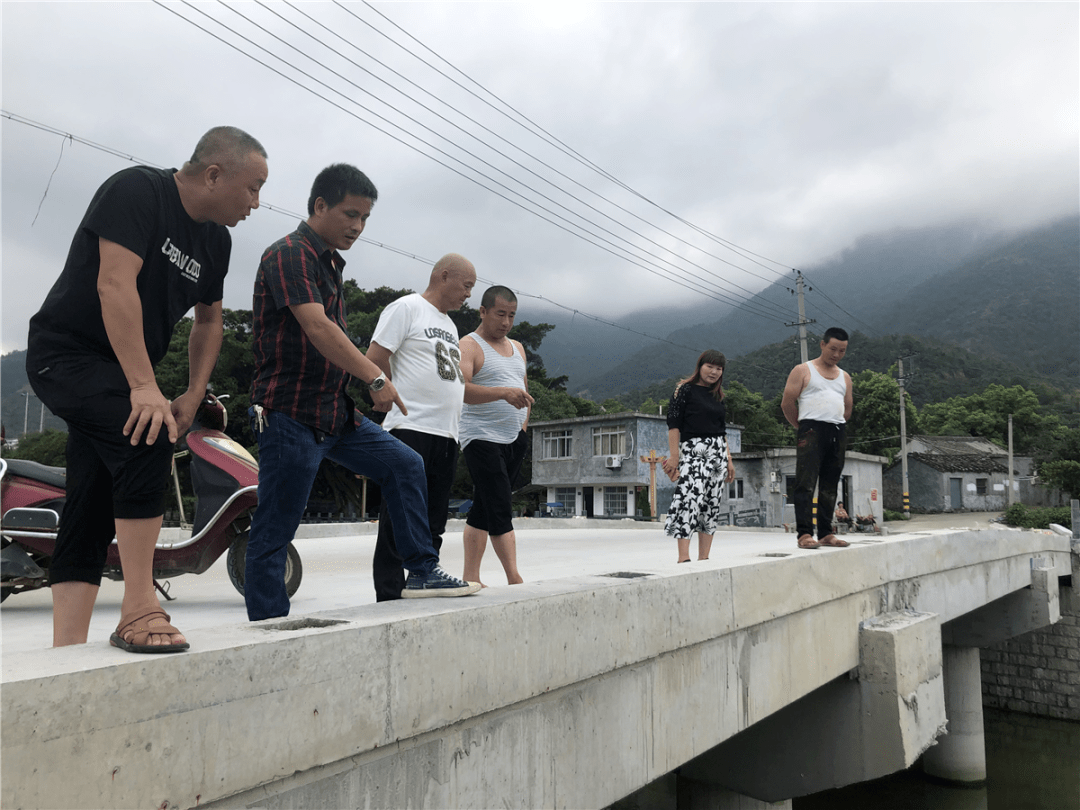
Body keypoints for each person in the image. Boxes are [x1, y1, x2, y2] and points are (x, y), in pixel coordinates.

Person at [25, 126, 269, 652]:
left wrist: (191, 393)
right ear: (213, 174)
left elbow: (209, 323)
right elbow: (113, 283)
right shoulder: (137, 191)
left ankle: (66, 648)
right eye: (253, 188)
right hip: (66, 354)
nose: (257, 202)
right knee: (148, 436)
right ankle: (138, 608)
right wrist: (144, 386)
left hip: (123, 373)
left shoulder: (216, 241)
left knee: (90, 501)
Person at [245, 165, 479, 621]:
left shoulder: (331, 263)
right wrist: (375, 377)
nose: (358, 227)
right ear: (319, 206)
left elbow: (330, 338)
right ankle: (270, 626)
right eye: (350, 214)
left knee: (404, 465)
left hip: (334, 411)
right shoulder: (289, 254)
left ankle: (423, 569)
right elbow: (316, 326)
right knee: (276, 526)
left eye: (366, 218)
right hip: (289, 412)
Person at [366, 253, 478, 601]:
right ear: (444, 276)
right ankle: (388, 592)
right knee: (398, 514)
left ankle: (425, 579)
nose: (468, 295)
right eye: (466, 286)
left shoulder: (449, 325)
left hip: (446, 433)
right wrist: (380, 390)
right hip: (410, 427)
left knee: (433, 518)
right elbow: (373, 359)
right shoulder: (406, 308)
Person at [457, 286, 534, 586]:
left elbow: (524, 389)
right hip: (480, 437)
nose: (506, 322)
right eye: (500, 314)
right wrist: (503, 393)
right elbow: (461, 390)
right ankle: (514, 577)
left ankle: (470, 577)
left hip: (514, 438)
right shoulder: (469, 345)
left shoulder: (518, 347)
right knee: (500, 503)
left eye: (511, 316)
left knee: (484, 506)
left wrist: (523, 429)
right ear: (483, 311)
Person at [781, 327, 854, 549]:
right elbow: (787, 403)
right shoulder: (803, 370)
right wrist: (803, 426)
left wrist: (835, 424)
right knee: (806, 482)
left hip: (837, 430)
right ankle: (804, 533)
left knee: (830, 483)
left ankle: (825, 532)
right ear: (822, 345)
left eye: (842, 351)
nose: (836, 354)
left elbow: (847, 409)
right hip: (810, 429)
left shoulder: (845, 377)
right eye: (833, 349)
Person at [661, 350, 735, 563]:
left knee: (711, 504)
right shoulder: (684, 390)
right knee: (689, 500)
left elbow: (722, 431)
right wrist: (674, 456)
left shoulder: (717, 395)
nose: (713, 372)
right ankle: (683, 557)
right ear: (700, 366)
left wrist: (729, 460)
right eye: (710, 366)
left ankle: (704, 557)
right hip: (694, 451)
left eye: (719, 369)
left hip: (718, 452)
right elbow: (673, 425)